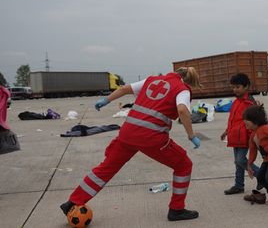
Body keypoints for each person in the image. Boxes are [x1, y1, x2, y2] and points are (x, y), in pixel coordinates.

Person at [60, 67, 202, 221]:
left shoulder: (151, 80)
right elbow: (182, 110)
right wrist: (191, 135)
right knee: (184, 165)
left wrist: (106, 100)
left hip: (127, 134)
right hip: (151, 138)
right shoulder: (182, 90)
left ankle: (73, 201)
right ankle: (177, 210)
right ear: (188, 81)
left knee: (106, 168)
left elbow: (125, 89)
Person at [220, 73, 260, 195]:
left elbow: (255, 122)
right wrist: (226, 131)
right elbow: (232, 120)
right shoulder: (236, 102)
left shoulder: (250, 103)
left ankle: (261, 175)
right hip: (234, 137)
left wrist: (255, 137)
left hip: (245, 138)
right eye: (233, 87)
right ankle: (239, 185)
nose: (235, 90)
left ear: (246, 86)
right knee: (237, 163)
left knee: (240, 160)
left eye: (238, 87)